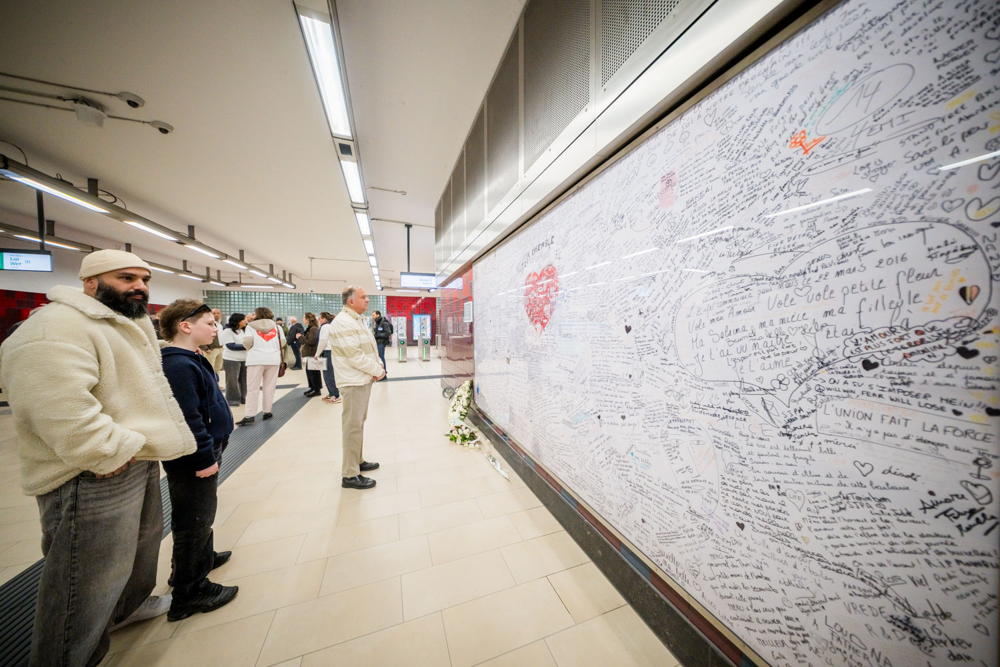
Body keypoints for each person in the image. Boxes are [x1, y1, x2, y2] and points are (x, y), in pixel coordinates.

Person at [0, 249, 196, 666]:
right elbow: (54, 405)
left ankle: (124, 610)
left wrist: (132, 449)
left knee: (135, 553)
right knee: (84, 580)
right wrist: (107, 451)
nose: (139, 286)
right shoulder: (55, 327)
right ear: (90, 282)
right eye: (126, 278)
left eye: (144, 279)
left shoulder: (122, 324)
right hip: (89, 472)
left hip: (133, 456)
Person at [158, 300, 239, 621]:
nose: (215, 329)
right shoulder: (178, 365)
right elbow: (188, 417)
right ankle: (189, 592)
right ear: (185, 326)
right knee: (194, 518)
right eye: (209, 323)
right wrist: (203, 456)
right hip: (194, 455)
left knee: (202, 512)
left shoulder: (192, 357)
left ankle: (200, 560)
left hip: (206, 447)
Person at [329, 286, 384, 490]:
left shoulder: (356, 320)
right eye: (363, 297)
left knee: (358, 423)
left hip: (362, 378)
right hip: (353, 381)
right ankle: (350, 474)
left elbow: (368, 349)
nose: (367, 300)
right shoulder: (343, 322)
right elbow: (354, 355)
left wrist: (378, 366)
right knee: (352, 427)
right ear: (350, 301)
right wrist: (377, 370)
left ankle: (357, 461)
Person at [238, 307, 286, 425]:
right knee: (269, 387)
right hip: (273, 360)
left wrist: (253, 349)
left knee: (252, 388)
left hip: (255, 360)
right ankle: (267, 411)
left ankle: (250, 415)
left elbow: (247, 342)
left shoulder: (250, 326)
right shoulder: (277, 327)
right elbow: (283, 342)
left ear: (257, 314)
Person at [219, 312, 247, 407]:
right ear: (238, 321)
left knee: (244, 380)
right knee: (232, 381)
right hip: (231, 360)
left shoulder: (242, 331)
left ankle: (243, 398)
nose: (245, 321)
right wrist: (247, 346)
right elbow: (231, 346)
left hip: (244, 359)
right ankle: (232, 400)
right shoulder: (227, 331)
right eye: (243, 320)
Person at [313, 311, 342, 403]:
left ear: (324, 319)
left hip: (328, 352)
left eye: (320, 318)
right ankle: (331, 393)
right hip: (329, 352)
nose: (318, 319)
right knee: (327, 374)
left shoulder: (325, 327)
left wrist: (317, 354)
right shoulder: (329, 326)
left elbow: (323, 341)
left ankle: (336, 395)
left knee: (328, 375)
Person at [300, 312, 322, 397]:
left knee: (314, 373)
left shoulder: (313, 329)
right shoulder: (310, 328)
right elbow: (305, 341)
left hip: (313, 353)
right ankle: (312, 388)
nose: (303, 319)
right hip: (309, 353)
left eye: (304, 318)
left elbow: (311, 341)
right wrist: (301, 337)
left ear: (308, 319)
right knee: (310, 373)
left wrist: (301, 337)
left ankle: (317, 390)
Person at [198, 308, 224, 378]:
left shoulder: (220, 325)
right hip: (211, 350)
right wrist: (205, 348)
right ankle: (208, 383)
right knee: (209, 368)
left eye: (218, 313)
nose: (216, 315)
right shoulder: (206, 324)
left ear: (220, 314)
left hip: (220, 349)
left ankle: (215, 383)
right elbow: (200, 336)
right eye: (214, 313)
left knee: (218, 368)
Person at [372, 310, 393, 381]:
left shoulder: (384, 322)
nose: (372, 317)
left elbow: (388, 333)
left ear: (378, 315)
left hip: (381, 343)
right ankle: (381, 374)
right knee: (379, 358)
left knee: (381, 358)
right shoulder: (377, 322)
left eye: (373, 315)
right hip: (378, 342)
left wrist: (378, 335)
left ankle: (384, 376)